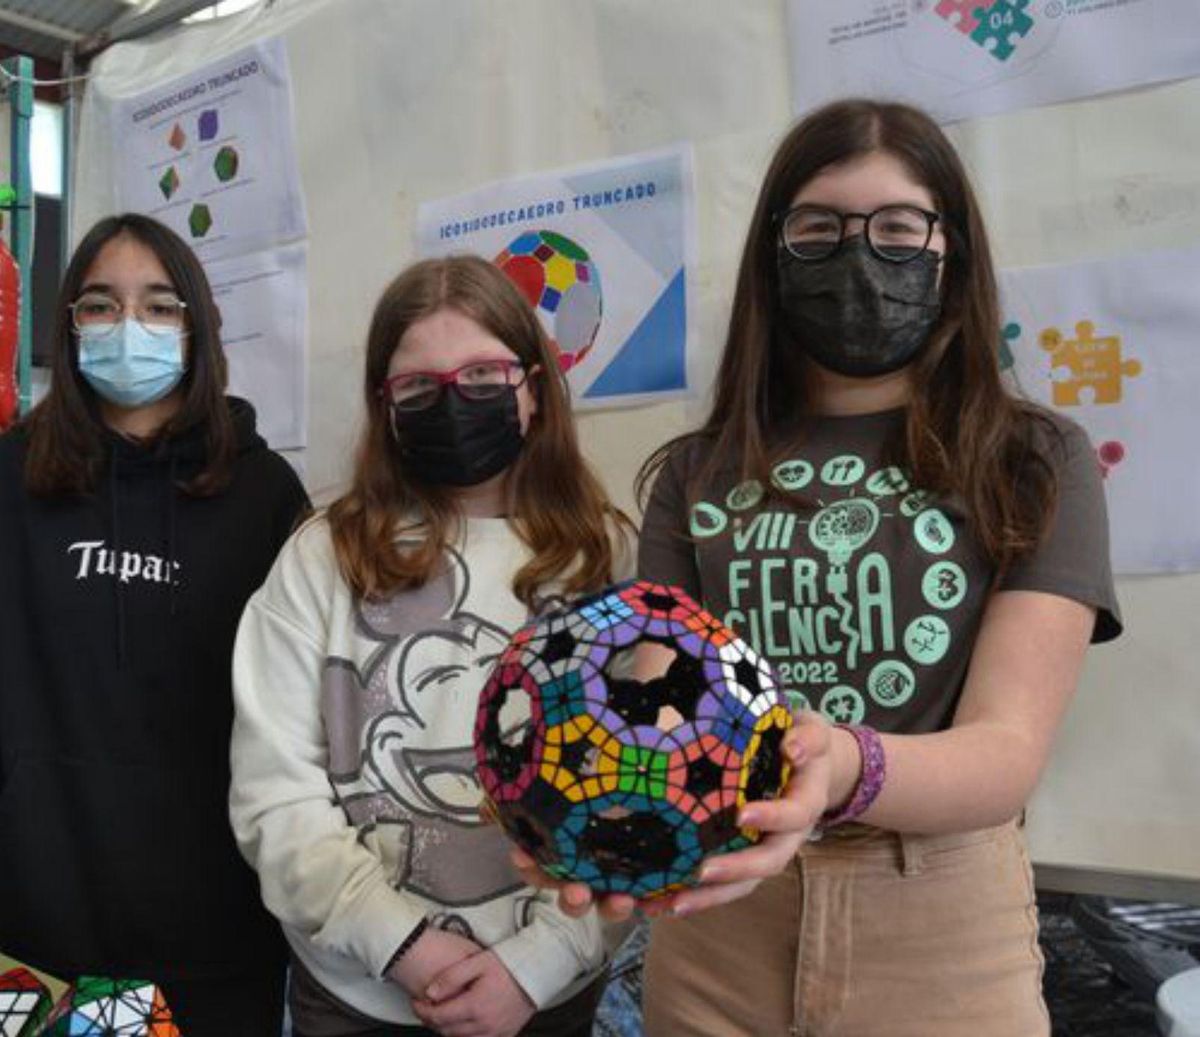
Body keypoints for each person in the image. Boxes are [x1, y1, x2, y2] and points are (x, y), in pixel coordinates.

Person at [518, 98, 1123, 1036]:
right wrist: (588, 815)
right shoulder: (695, 471)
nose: (857, 254)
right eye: (818, 228)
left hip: (939, 927)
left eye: (896, 228)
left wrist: (840, 760)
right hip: (723, 922)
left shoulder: (1034, 457)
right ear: (773, 256)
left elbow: (1005, 751)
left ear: (951, 251)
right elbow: (665, 715)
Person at [229, 255, 633, 1037]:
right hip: (359, 991)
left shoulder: (606, 561)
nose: (454, 401)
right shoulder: (322, 556)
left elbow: (641, 793)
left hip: (545, 991)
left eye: (484, 374)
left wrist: (537, 964)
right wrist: (403, 944)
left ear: (535, 388)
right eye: (418, 387)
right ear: (385, 407)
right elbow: (276, 794)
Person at [0, 213, 309, 1034]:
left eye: (159, 305)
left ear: (197, 325)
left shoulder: (266, 495)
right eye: (99, 305)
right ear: (68, 328)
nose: (127, 325)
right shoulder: (10, 480)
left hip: (213, 933)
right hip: (29, 927)